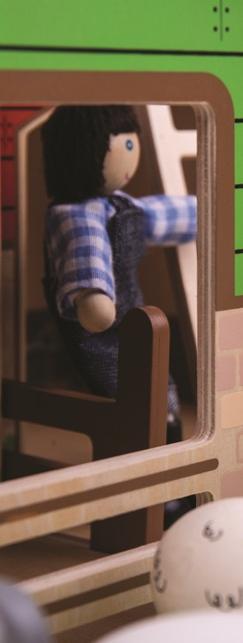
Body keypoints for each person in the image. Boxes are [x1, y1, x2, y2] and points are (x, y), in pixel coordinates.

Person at [41, 105, 196, 449]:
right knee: (121, 385)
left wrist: (201, 213)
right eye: (123, 145)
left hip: (133, 317)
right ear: (83, 151)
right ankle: (148, 437)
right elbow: (87, 253)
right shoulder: (74, 215)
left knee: (153, 376)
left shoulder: (120, 205)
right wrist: (92, 295)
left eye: (132, 143)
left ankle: (166, 425)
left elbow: (158, 215)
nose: (131, 154)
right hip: (97, 328)